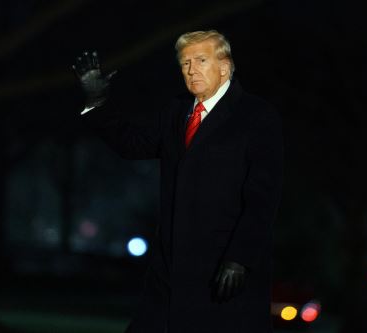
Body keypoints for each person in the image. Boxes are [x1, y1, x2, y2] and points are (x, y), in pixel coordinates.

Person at [73, 30, 283, 333]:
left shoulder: (257, 117)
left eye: (201, 60)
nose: (191, 69)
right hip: (169, 269)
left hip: (223, 270)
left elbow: (263, 197)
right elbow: (132, 144)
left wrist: (241, 258)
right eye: (185, 63)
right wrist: (98, 101)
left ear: (225, 66)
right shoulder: (176, 110)